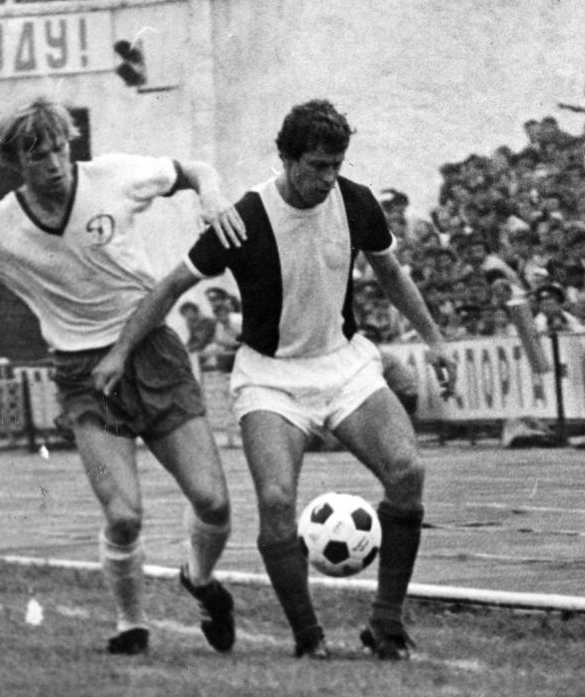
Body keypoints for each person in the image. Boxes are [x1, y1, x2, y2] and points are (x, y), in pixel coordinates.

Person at [93, 99, 457, 661]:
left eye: (336, 165)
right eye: (316, 166)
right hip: (270, 378)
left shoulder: (355, 202)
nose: (327, 178)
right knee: (277, 498)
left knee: (408, 471)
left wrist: (434, 339)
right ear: (286, 159)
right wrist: (120, 353)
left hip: (344, 364)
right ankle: (308, 638)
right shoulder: (245, 218)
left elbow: (390, 272)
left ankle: (386, 623)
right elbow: (169, 288)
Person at [0, 97, 246, 656]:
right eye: (38, 155)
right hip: (83, 374)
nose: (54, 164)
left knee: (213, 502)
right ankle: (130, 623)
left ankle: (201, 580)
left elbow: (194, 170)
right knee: (123, 514)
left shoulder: (112, 177)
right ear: (15, 161)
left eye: (60, 149)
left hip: (153, 352)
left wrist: (210, 196)